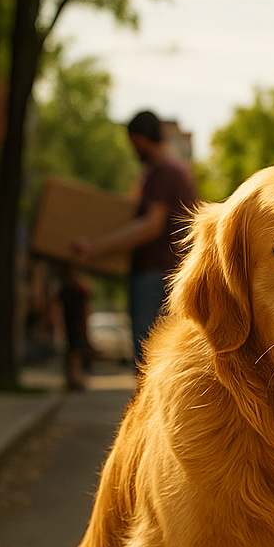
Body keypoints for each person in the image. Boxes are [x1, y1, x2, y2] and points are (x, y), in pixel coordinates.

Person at [71, 110, 199, 366]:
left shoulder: (164, 172)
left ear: (140, 138)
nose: (132, 150)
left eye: (132, 143)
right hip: (165, 273)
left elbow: (150, 226)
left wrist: (96, 248)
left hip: (156, 275)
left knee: (148, 357)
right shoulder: (169, 172)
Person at [56, 263, 91, 392]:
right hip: (72, 324)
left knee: (75, 352)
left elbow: (87, 308)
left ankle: (74, 378)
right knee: (73, 353)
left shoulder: (79, 290)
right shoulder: (68, 290)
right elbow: (58, 309)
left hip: (76, 324)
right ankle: (74, 379)